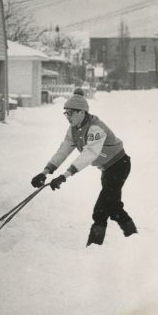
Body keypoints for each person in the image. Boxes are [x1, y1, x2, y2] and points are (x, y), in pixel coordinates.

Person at [30, 89, 137, 246]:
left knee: (101, 210)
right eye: (66, 113)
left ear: (82, 112)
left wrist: (64, 176)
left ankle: (94, 246)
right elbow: (63, 150)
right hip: (107, 170)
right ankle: (133, 235)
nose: (68, 117)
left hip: (119, 166)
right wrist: (46, 171)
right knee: (113, 207)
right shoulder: (74, 130)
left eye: (71, 113)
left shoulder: (96, 129)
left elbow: (89, 154)